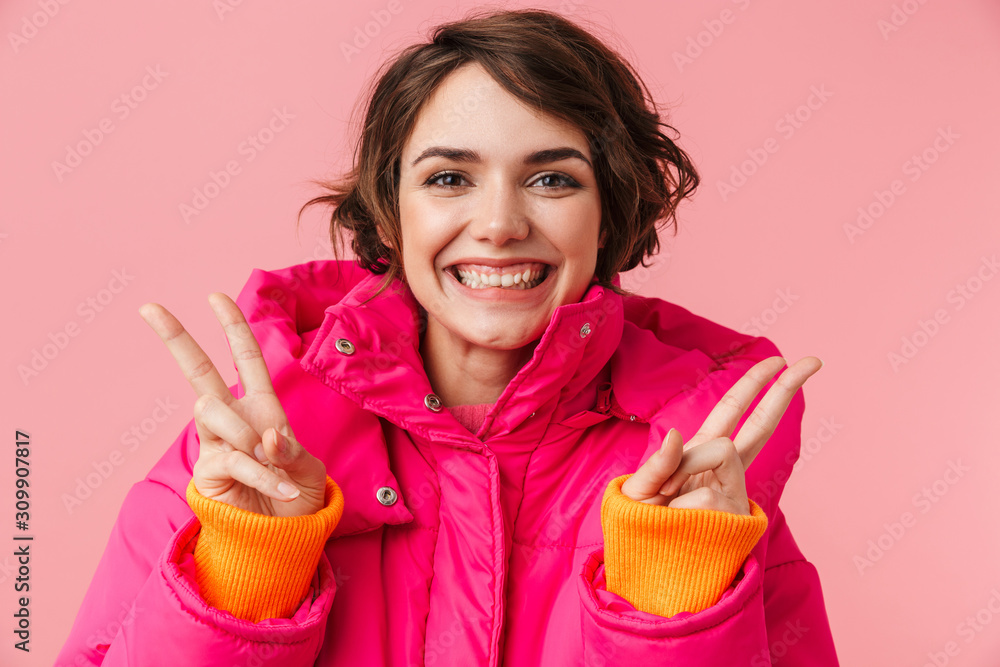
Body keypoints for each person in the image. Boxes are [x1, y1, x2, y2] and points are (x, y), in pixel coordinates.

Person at [57, 8, 839, 666]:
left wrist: (673, 602)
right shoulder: (244, 456)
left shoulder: (700, 480)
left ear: (610, 213)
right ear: (390, 211)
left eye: (553, 178)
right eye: (448, 178)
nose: (499, 224)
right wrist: (248, 569)